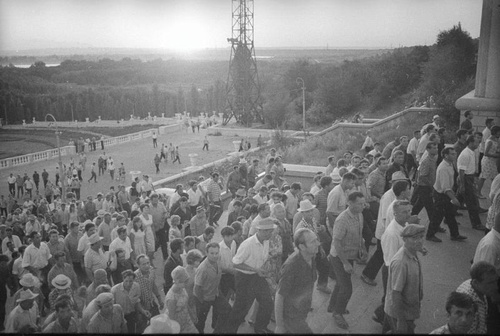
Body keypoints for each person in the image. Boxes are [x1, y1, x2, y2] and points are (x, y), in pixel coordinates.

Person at [224, 218, 276, 334]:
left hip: (257, 276)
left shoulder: (266, 241)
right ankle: (229, 331)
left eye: (271, 231)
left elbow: (263, 257)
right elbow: (235, 263)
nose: (270, 233)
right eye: (268, 231)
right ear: (260, 231)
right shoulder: (248, 244)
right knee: (241, 309)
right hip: (244, 278)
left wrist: (263, 268)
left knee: (267, 303)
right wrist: (255, 269)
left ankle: (260, 328)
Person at [327, 191, 368, 330]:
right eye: (360, 204)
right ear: (349, 203)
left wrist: (363, 248)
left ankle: (332, 306)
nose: (363, 206)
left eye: (363, 203)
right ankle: (338, 313)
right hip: (339, 257)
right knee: (347, 288)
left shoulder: (359, 215)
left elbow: (359, 233)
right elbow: (337, 243)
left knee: (341, 282)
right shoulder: (342, 219)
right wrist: (345, 263)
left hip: (350, 255)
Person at [274, 228, 320, 334]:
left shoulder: (311, 255)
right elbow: (279, 296)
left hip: (302, 312)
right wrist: (279, 326)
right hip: (291, 316)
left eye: (316, 239)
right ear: (302, 247)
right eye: (313, 241)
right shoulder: (291, 267)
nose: (317, 243)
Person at [384, 224, 426, 334]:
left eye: (421, 237)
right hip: (400, 314)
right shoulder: (401, 262)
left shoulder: (412, 252)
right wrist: (401, 321)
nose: (419, 241)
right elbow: (396, 293)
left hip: (408, 311)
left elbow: (417, 245)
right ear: (404, 239)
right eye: (414, 238)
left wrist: (421, 249)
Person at [194, 242, 231, 333]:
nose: (215, 256)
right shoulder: (202, 269)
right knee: (201, 321)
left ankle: (217, 330)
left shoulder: (218, 261)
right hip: (204, 298)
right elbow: (197, 288)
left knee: (227, 311)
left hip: (216, 294)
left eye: (216, 253)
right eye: (212, 253)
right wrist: (202, 301)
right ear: (206, 253)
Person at [433, 147, 468, 241]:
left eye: (455, 153)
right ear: (445, 155)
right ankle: (430, 235)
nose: (455, 155)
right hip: (441, 194)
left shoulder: (450, 164)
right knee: (438, 216)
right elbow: (445, 188)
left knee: (449, 215)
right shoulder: (443, 167)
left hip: (444, 194)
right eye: (452, 154)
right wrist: (454, 199)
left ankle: (454, 235)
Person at [456, 261, 499, 334]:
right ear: (476, 282)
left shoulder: (476, 286)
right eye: (490, 283)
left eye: (495, 281)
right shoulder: (469, 306)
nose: (496, 287)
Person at [411, 142, 441, 242]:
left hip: (426, 187)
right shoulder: (426, 161)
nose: (436, 149)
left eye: (436, 147)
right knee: (432, 210)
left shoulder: (433, 159)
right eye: (434, 148)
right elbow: (423, 176)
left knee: (417, 207)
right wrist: (431, 186)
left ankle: (407, 221)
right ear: (428, 149)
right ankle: (431, 234)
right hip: (425, 188)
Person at [457, 135, 486, 230]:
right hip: (466, 178)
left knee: (459, 198)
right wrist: (462, 185)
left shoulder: (472, 152)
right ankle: (476, 223)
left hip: (470, 177)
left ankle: (448, 214)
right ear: (471, 142)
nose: (478, 144)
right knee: (472, 202)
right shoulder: (465, 154)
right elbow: (461, 171)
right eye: (477, 142)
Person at [111, 269, 148, 334]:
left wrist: (142, 311)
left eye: (131, 281)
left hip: (131, 316)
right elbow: (112, 307)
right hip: (119, 317)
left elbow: (137, 301)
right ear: (123, 279)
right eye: (126, 281)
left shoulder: (136, 286)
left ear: (134, 280)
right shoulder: (114, 290)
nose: (128, 284)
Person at [164, 266, 198, 333]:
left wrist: (193, 315)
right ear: (177, 281)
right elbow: (172, 318)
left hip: (186, 320)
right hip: (178, 324)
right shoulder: (171, 298)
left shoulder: (182, 289)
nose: (186, 284)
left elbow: (186, 304)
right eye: (184, 282)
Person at [135, 255, 164, 332]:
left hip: (152, 303)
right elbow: (135, 298)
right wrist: (142, 310)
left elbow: (153, 285)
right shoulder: (135, 277)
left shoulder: (151, 270)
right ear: (138, 265)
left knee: (158, 325)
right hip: (141, 308)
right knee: (144, 329)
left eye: (148, 263)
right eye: (143, 264)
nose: (147, 266)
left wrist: (159, 299)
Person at [478, 126, 500, 196]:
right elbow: (486, 153)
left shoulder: (495, 140)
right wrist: (496, 155)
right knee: (483, 176)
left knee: (493, 177)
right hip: (487, 161)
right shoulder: (490, 141)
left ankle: (494, 192)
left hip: (492, 161)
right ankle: (478, 192)